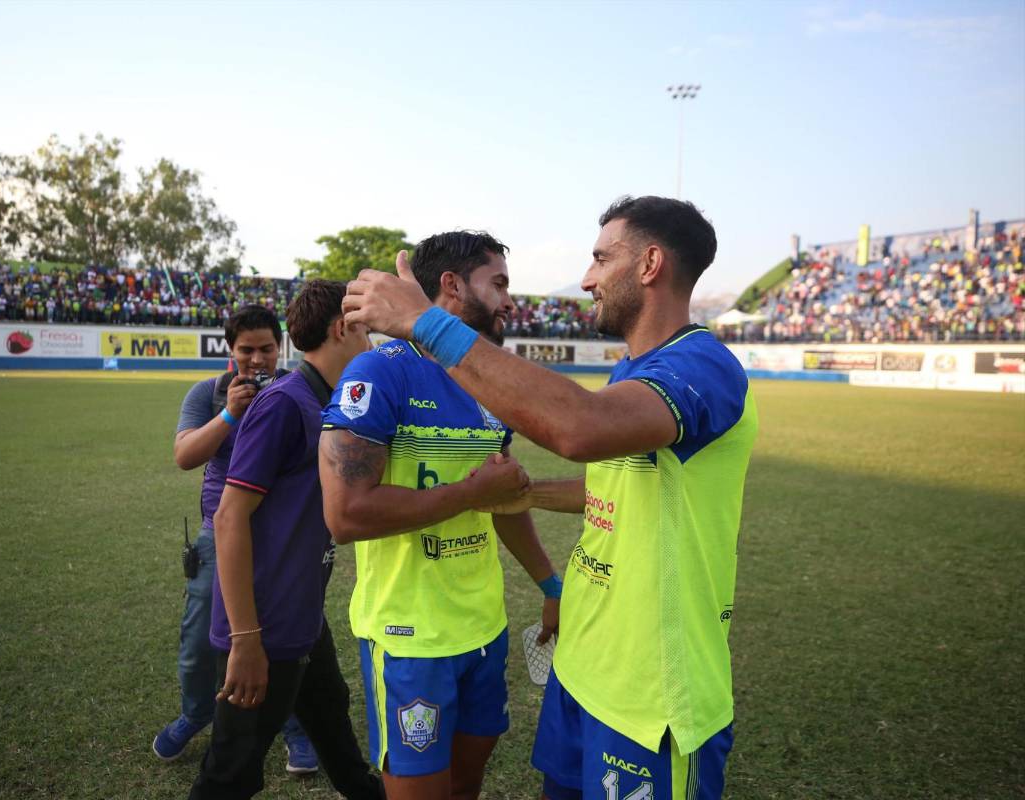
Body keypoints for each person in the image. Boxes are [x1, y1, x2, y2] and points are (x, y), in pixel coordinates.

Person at [339, 196, 758, 800]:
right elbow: (611, 490)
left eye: (599, 258)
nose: (586, 279)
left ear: (650, 264)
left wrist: (424, 323)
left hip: (652, 694)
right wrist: (530, 504)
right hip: (583, 671)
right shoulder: (635, 372)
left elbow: (580, 428)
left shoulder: (704, 366)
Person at [318, 231, 562, 800]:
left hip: (484, 627)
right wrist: (474, 489)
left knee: (466, 784)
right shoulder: (381, 373)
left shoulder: (489, 378)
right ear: (450, 286)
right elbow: (346, 515)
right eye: (497, 283)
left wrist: (549, 583)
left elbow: (502, 496)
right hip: (410, 639)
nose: (508, 301)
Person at [187, 280, 383, 800]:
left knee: (340, 744)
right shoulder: (284, 403)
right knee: (228, 776)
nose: (372, 341)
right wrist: (246, 642)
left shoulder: (328, 399)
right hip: (263, 628)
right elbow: (230, 518)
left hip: (302, 617)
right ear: (342, 328)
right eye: (365, 329)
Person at [153, 304, 319, 773]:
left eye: (267, 348)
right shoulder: (207, 394)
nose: (258, 359)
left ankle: (295, 728)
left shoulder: (295, 390)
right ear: (230, 350)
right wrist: (229, 414)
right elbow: (185, 456)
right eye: (247, 350)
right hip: (217, 535)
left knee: (289, 639)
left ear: (280, 346)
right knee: (200, 640)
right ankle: (195, 712)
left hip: (282, 539)